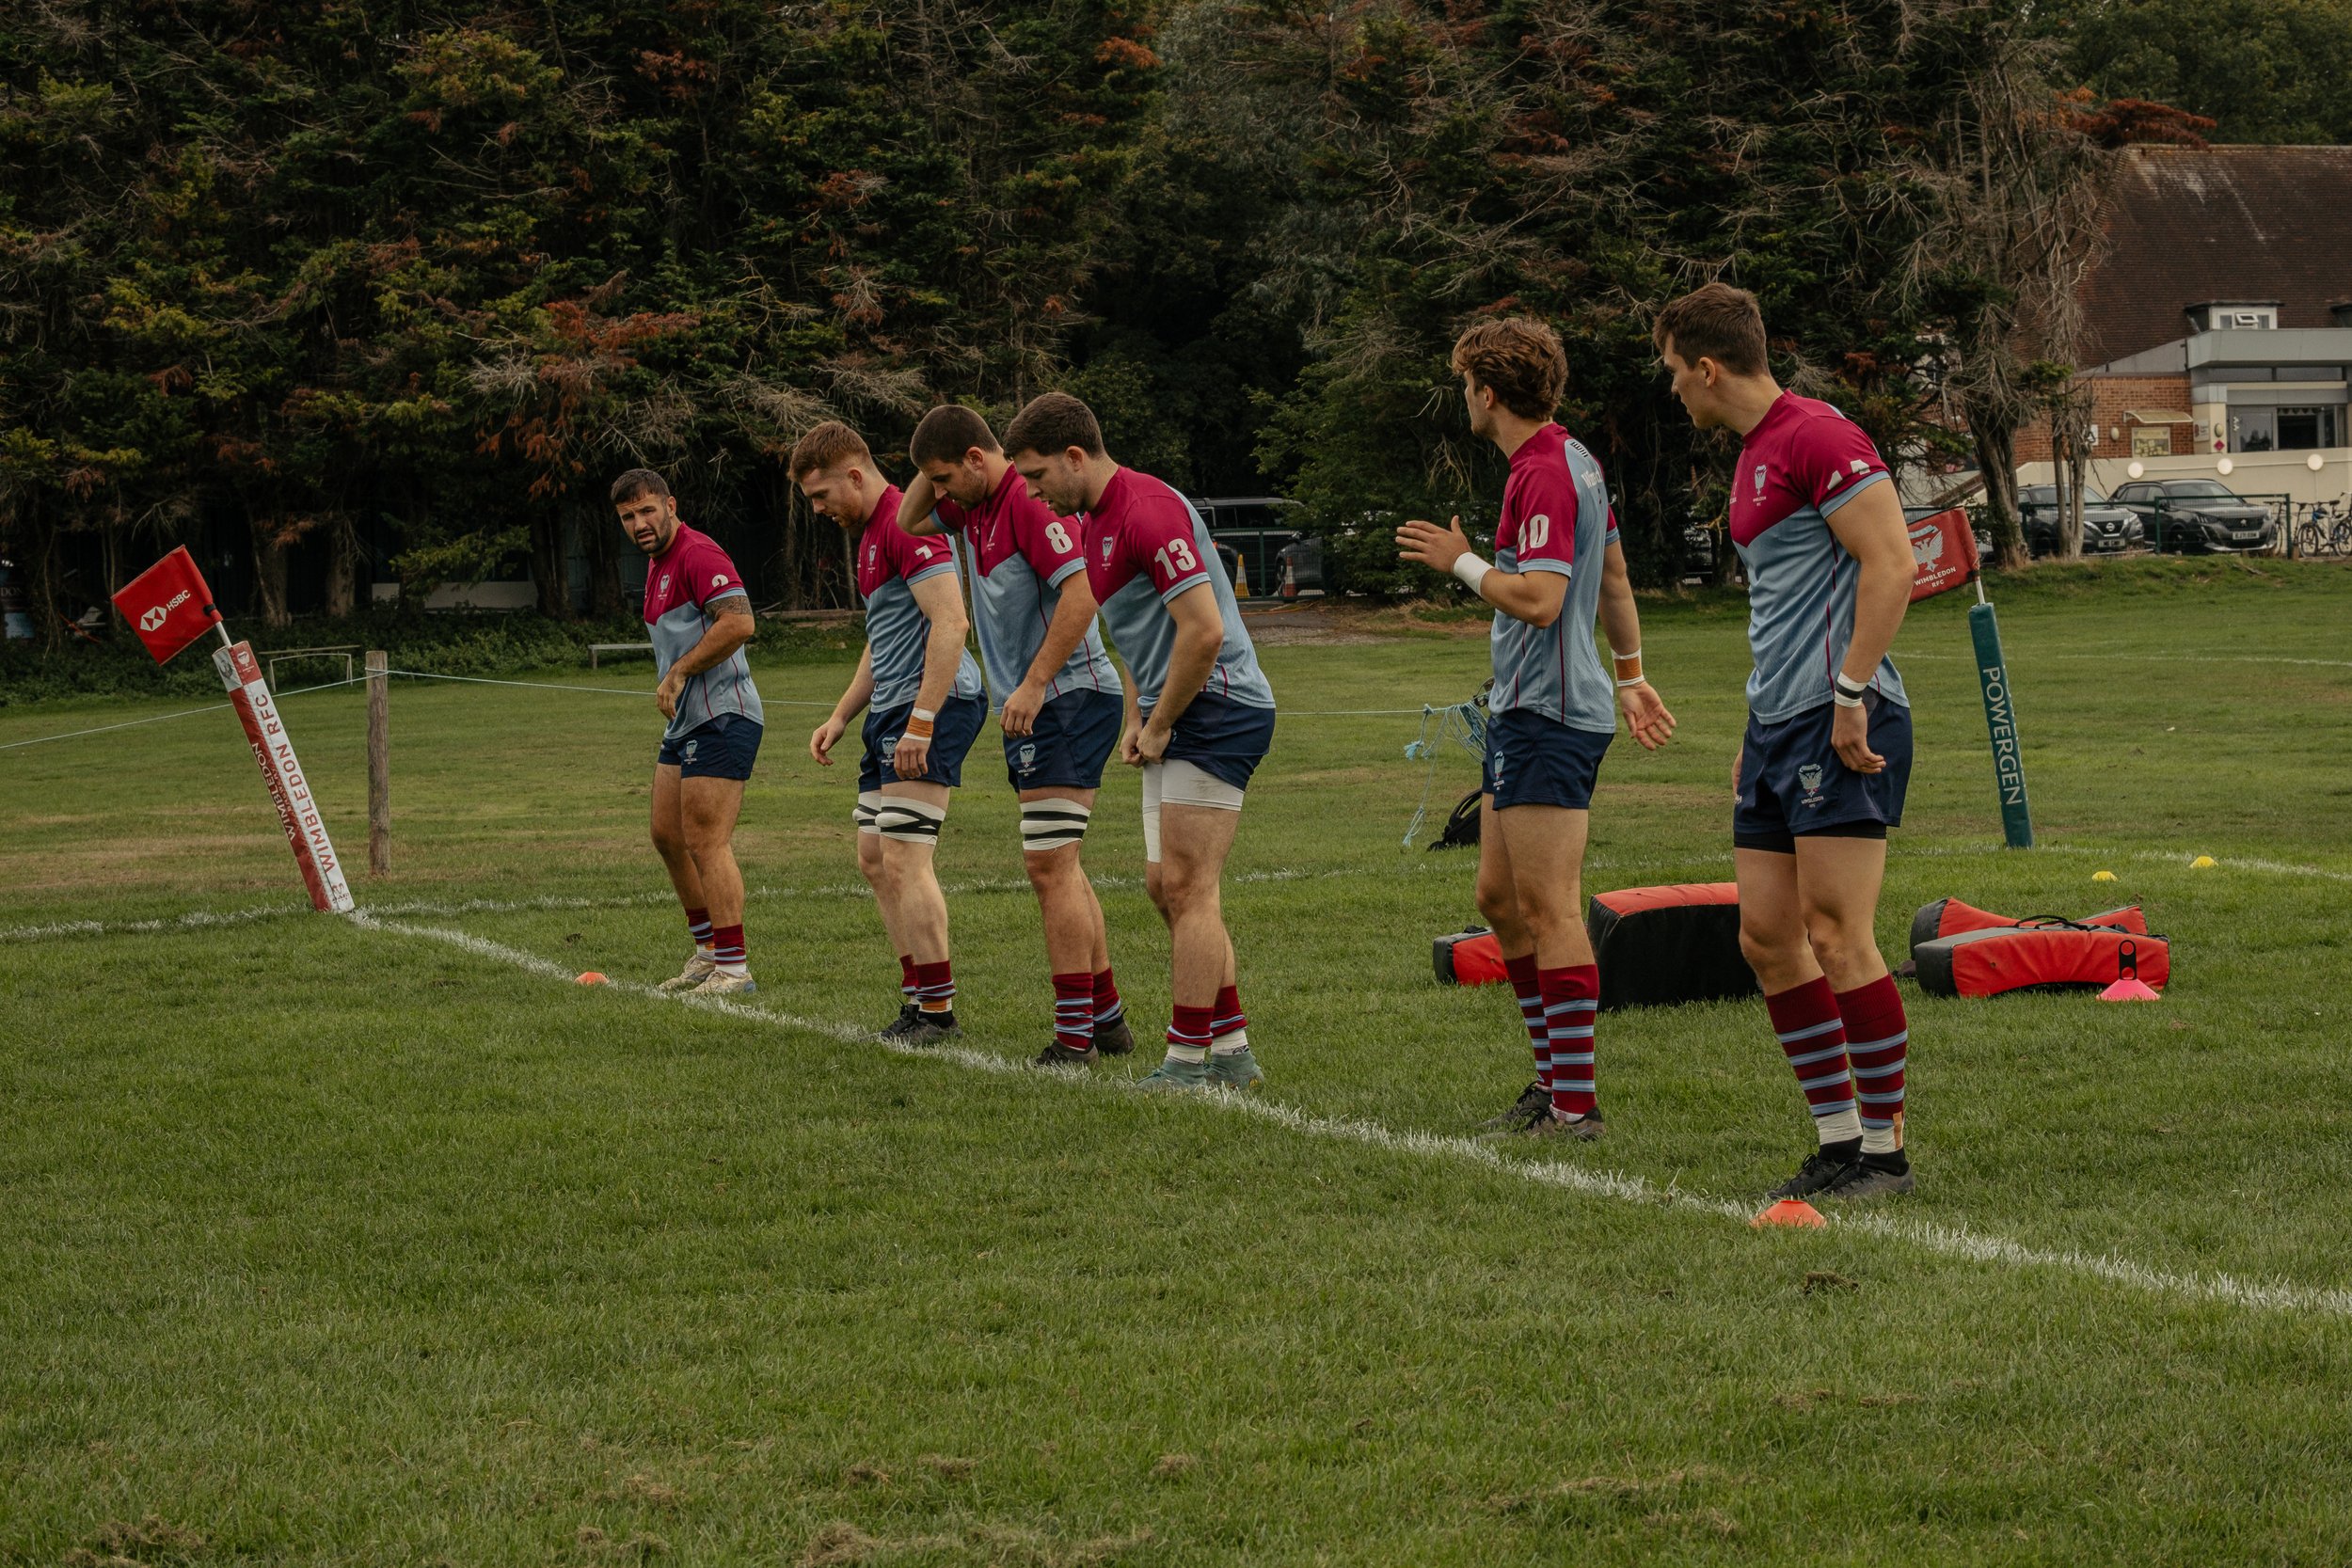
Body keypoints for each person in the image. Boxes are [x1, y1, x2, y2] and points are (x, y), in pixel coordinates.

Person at [1654, 280, 1915, 1201]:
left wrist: (1848, 694)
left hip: (1841, 718)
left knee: (1839, 931)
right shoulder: (1754, 452)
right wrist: (1753, 725)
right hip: (1777, 726)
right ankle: (1837, 1139)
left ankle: (1884, 1154)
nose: (1673, 390)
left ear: (1708, 367)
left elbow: (1893, 563)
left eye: (1674, 374)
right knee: (1766, 937)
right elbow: (1784, 606)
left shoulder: (1818, 435)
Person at [1396, 319, 1677, 1140]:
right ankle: (1554, 1082)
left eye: (1465, 387)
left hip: (1548, 714)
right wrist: (1630, 676)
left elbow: (1543, 599)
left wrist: (1461, 561)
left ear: (1487, 392)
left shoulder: (1546, 471)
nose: (1465, 401)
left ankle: (1574, 1104)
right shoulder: (1572, 458)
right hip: (1532, 708)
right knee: (1496, 896)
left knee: (1549, 908)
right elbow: (1616, 577)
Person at [1003, 392, 1275, 1091]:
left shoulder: (1146, 509)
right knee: (1167, 887)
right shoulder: (1096, 520)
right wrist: (1137, 714)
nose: (1030, 491)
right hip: (1175, 711)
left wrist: (1157, 723)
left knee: (1188, 886)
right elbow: (1138, 633)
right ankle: (1234, 1049)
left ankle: (1187, 1062)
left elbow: (1204, 631)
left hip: (1218, 706)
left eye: (1036, 475)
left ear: (1074, 456)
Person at [896, 404, 1136, 1067]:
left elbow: (1084, 590)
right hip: (1043, 704)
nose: (938, 493)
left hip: (1066, 698)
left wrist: (1032, 683)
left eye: (946, 476)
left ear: (978, 459)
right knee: (1061, 863)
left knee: (1047, 865)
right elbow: (907, 519)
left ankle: (1074, 1035)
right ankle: (1106, 1018)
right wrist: (933, 462)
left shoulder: (1025, 505)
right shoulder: (971, 506)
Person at [796, 420, 990, 1046]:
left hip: (933, 705)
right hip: (892, 710)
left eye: (823, 496)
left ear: (855, 475)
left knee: (905, 856)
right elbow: (883, 644)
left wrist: (922, 721)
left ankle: (937, 1012)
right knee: (876, 857)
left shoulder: (910, 526)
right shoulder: (869, 538)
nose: (820, 510)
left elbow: (951, 622)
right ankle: (917, 999)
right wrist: (841, 714)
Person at [613, 467, 763, 996]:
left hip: (725, 713)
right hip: (687, 720)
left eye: (647, 510)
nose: (640, 523)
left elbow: (740, 622)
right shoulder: (656, 566)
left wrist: (679, 672)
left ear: (670, 505)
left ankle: (734, 968)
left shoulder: (699, 554)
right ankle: (707, 951)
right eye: (629, 517)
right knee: (666, 835)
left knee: (706, 840)